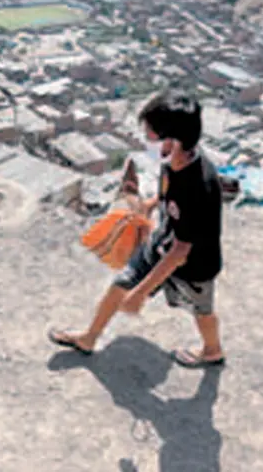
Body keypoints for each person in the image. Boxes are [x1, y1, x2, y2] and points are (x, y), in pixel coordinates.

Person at [49, 91, 225, 368]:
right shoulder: (175, 157)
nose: (146, 135)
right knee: (120, 284)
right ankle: (89, 338)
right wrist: (151, 205)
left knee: (202, 311)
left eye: (151, 130)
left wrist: (141, 294)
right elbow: (167, 194)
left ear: (172, 137)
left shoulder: (197, 185)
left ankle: (212, 350)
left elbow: (181, 251)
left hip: (194, 263)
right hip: (163, 243)